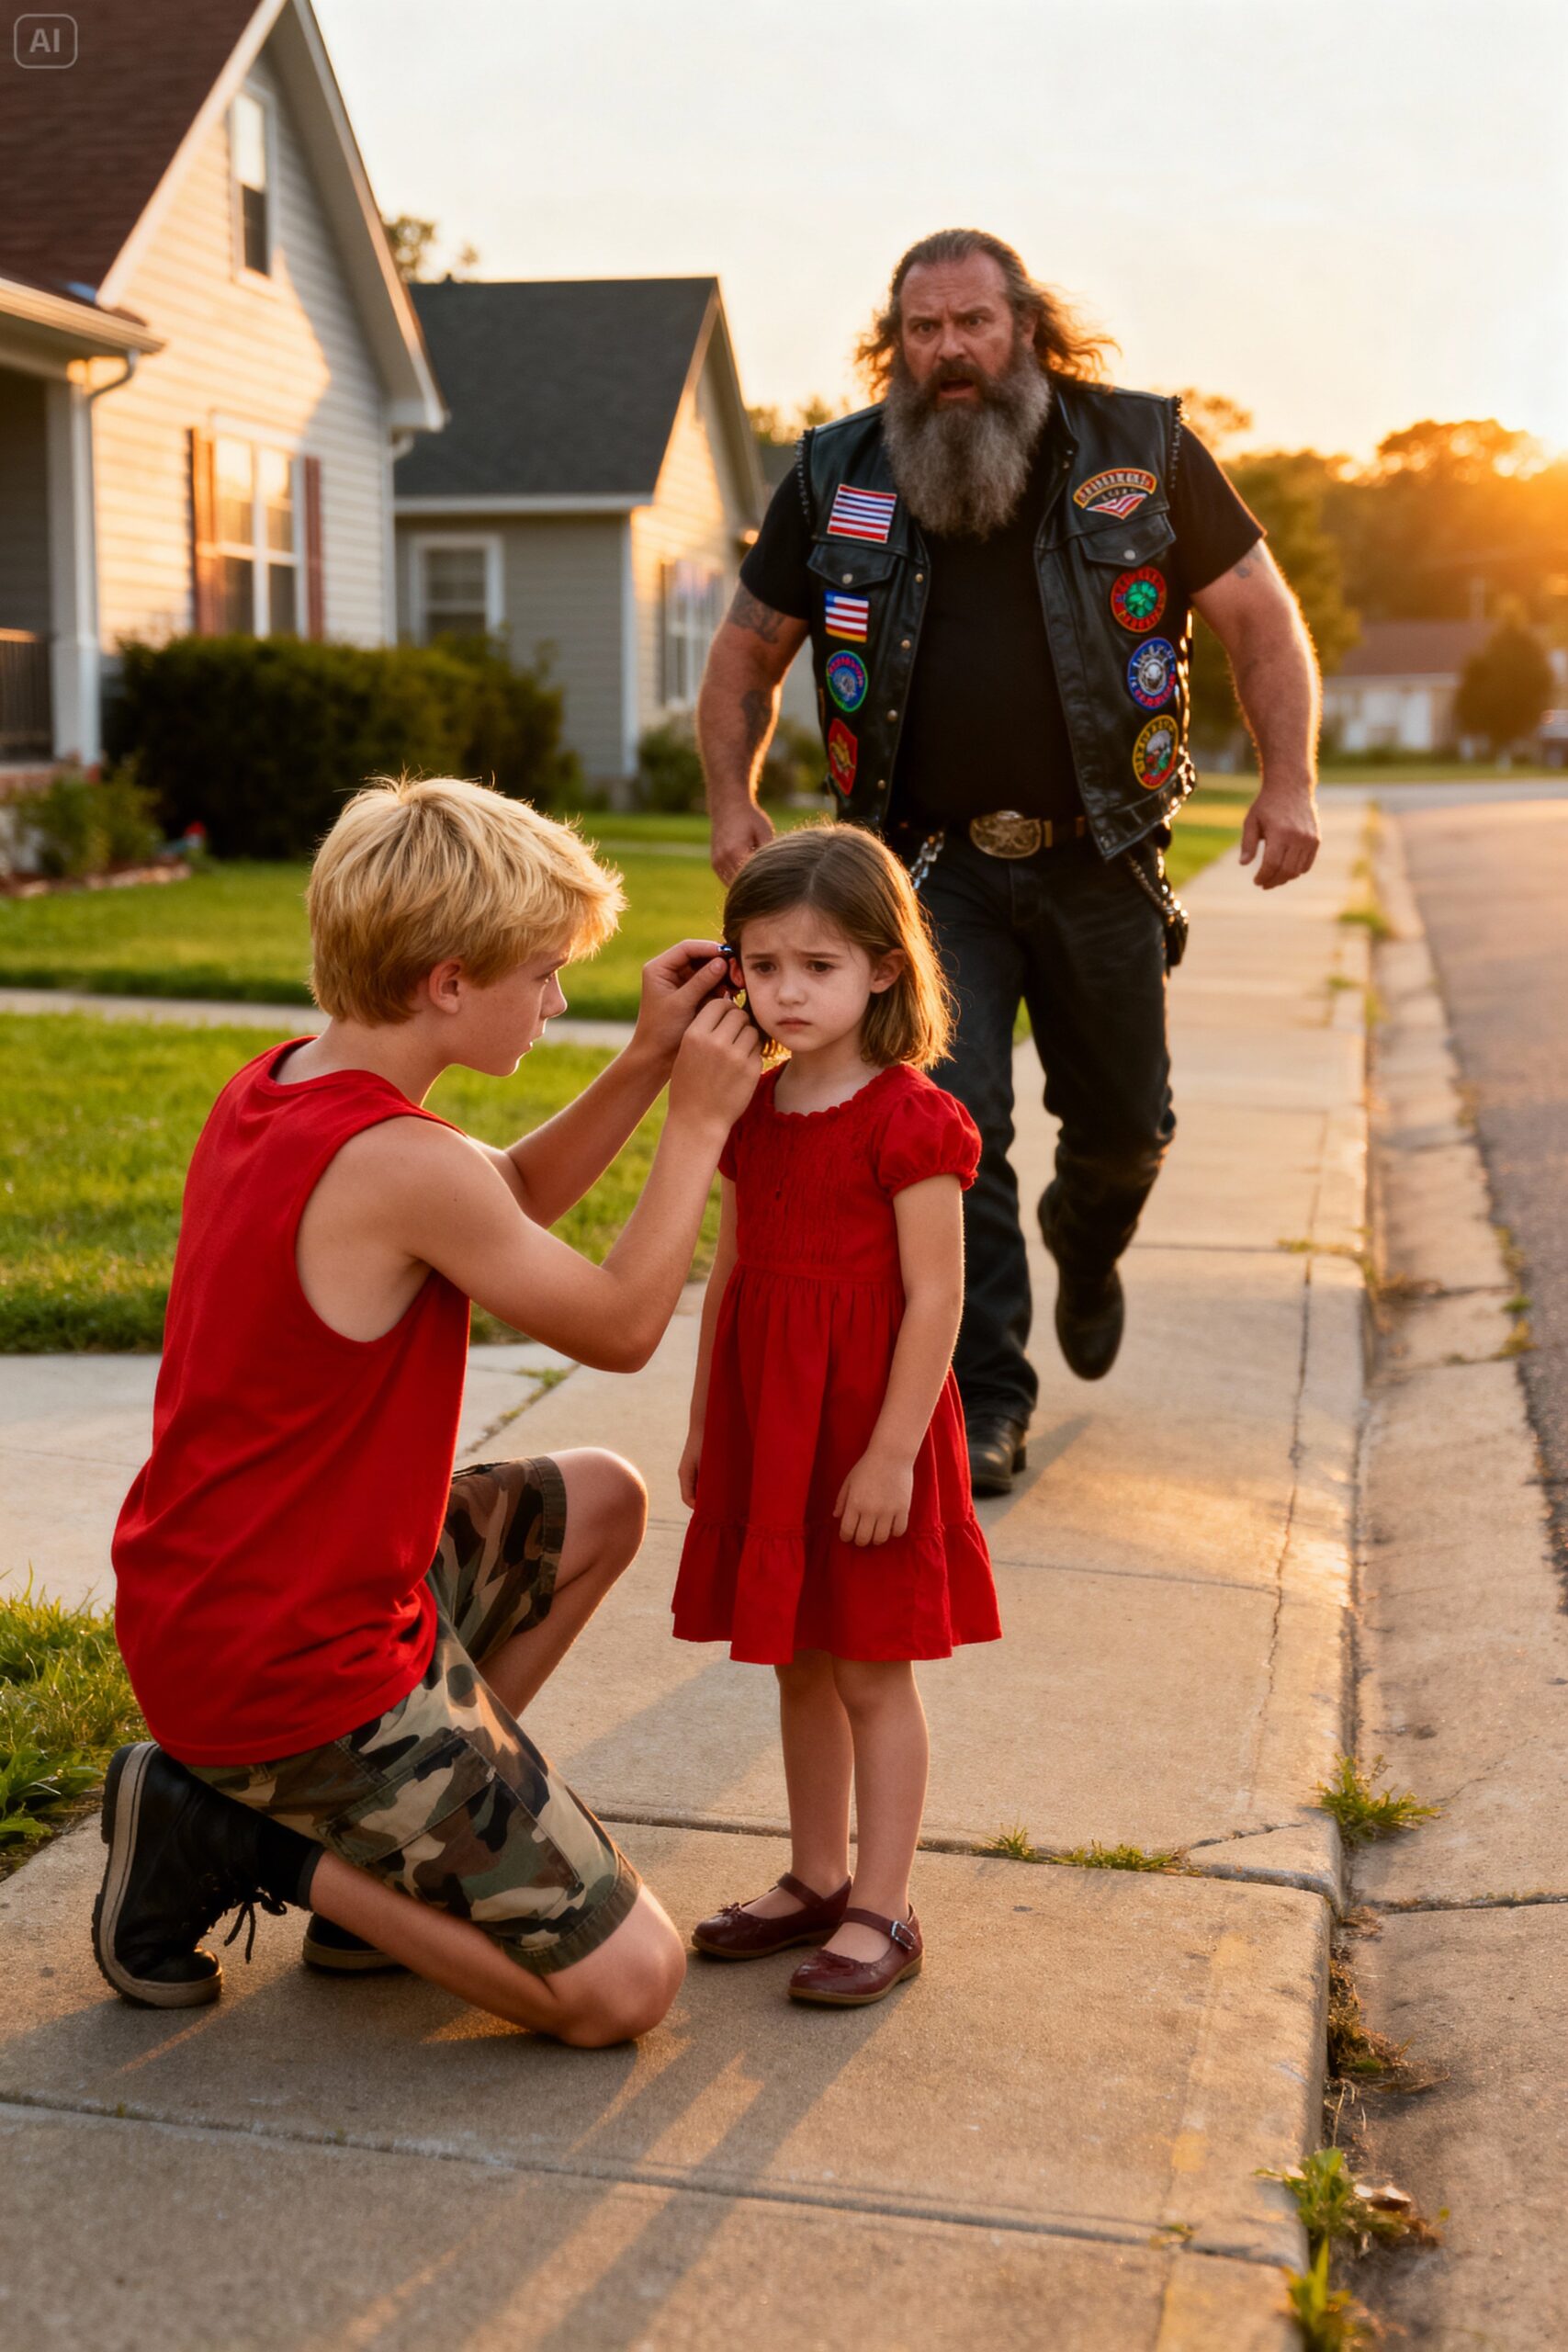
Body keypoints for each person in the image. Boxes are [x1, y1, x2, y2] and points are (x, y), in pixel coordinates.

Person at [97, 776, 760, 2046]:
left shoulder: (280, 1087)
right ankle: (234, 1836)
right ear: (449, 983)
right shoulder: (404, 1165)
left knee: (601, 1503)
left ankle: (393, 1881)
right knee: (626, 1987)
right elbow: (624, 1327)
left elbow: (504, 1195)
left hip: (225, 1607)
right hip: (294, 1674)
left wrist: (643, 1059)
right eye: (544, 975)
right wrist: (696, 1123)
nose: (555, 1002)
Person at [699, 227, 1323, 1496]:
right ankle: (988, 1397)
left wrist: (1289, 779)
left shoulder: (1143, 450)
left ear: (1025, 330)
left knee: (1125, 1128)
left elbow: (1261, 619)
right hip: (929, 871)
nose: (950, 352)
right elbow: (747, 653)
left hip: (1103, 858)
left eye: (973, 324)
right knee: (953, 1127)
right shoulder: (834, 473)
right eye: (923, 330)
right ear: (895, 345)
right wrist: (729, 801)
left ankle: (1085, 1247)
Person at [673, 825, 998, 2008]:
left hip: (869, 1431)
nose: (788, 992)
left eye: (818, 966)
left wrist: (892, 1455)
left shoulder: (912, 1119)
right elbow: (730, 1273)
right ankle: (816, 1878)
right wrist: (706, 1422)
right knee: (798, 1662)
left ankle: (884, 1904)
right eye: (763, 966)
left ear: (883, 969)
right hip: (775, 1427)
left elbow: (938, 1298)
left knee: (869, 1670)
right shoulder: (750, 1111)